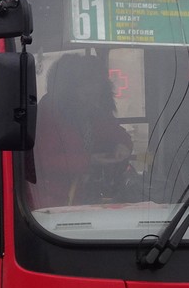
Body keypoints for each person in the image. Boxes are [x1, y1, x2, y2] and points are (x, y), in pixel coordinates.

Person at [30, 53, 133, 207]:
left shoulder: (95, 111)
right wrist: (88, 161)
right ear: (68, 90)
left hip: (92, 195)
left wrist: (122, 145)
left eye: (97, 93)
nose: (92, 100)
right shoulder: (47, 114)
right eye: (86, 93)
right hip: (54, 200)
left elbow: (118, 134)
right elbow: (42, 161)